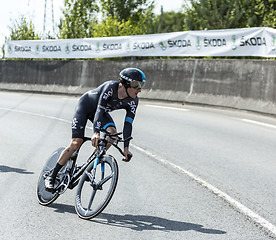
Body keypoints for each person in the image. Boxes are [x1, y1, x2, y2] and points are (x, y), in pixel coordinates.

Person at [44, 68, 146, 191]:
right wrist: (96, 133)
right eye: (137, 85)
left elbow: (128, 124)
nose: (139, 89)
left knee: (112, 135)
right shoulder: (110, 87)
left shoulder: (133, 101)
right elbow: (99, 110)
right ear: (126, 83)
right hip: (86, 107)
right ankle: (52, 176)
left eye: (142, 85)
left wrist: (126, 148)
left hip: (100, 113)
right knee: (76, 142)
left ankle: (89, 165)